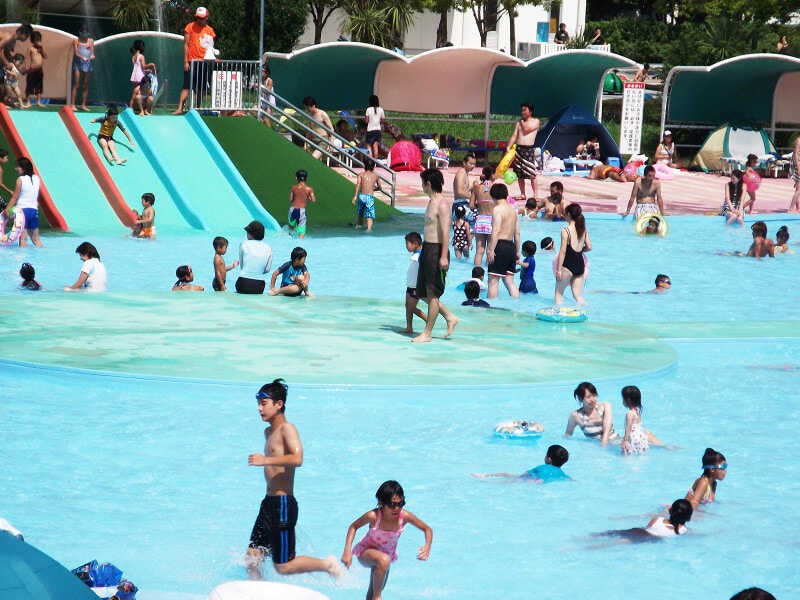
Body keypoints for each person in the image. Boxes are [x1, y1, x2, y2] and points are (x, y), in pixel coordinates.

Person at [246, 379, 342, 577]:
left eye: (264, 403)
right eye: (258, 403)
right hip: (268, 503)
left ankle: (328, 565)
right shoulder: (268, 432)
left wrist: (265, 460)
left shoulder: (287, 429)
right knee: (252, 557)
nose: (259, 408)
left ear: (278, 404)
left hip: (283, 503)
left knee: (284, 566)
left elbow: (298, 458)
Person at [341, 480, 432, 600]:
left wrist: (427, 546)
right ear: (381, 503)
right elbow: (353, 526)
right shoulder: (373, 516)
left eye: (401, 503)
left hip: (386, 558)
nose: (397, 508)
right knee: (378, 591)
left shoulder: (404, 517)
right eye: (392, 504)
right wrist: (347, 550)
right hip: (366, 552)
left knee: (372, 594)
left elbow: (427, 529)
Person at [413, 168, 458, 343]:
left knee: (432, 294)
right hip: (427, 249)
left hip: (437, 250)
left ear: (428, 184)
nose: (422, 185)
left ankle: (427, 333)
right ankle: (449, 317)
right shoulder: (430, 202)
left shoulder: (442, 204)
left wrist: (444, 256)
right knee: (422, 292)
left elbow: (446, 232)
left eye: (423, 182)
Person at [173, 7, 215, 114]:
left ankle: (196, 108)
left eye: (202, 18)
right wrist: (185, 61)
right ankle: (180, 108)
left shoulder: (209, 30)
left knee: (202, 87)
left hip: (205, 62)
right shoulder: (190, 26)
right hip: (192, 61)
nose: (200, 20)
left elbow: (211, 46)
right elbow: (186, 44)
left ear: (206, 18)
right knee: (186, 85)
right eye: (198, 18)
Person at [486, 183, 520, 299]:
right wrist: (517, 251)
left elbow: (496, 230)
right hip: (511, 246)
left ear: (493, 196)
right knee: (509, 281)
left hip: (499, 246)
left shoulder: (497, 209)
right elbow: (517, 233)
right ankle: (517, 306)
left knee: (493, 281)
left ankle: (491, 310)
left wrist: (491, 250)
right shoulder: (513, 210)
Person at [472, 444, 570, 483]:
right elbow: (570, 480)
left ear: (549, 459)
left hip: (529, 480)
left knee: (505, 476)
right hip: (540, 482)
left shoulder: (542, 467)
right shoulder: (561, 474)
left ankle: (485, 477)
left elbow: (525, 475)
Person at [555, 203, 591, 305]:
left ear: (569, 214)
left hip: (568, 264)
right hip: (580, 264)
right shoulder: (583, 229)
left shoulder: (565, 230)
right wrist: (580, 250)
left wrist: (558, 270)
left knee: (558, 293)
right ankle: (589, 310)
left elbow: (563, 251)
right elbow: (589, 247)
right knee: (578, 296)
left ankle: (559, 315)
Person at [3, 157, 42, 247]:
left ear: (24, 167)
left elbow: (14, 197)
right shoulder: (37, 179)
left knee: (23, 238)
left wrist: (7, 210)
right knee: (36, 239)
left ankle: (23, 259)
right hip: (33, 211)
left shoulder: (20, 179)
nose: (16, 169)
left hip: (22, 212)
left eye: (18, 166)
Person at [507, 102, 540, 200]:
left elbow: (526, 129)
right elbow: (514, 136)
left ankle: (535, 194)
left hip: (529, 149)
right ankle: (522, 194)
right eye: (522, 110)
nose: (523, 112)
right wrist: (508, 147)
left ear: (531, 111)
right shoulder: (519, 122)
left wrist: (521, 122)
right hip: (519, 149)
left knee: (531, 174)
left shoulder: (535, 121)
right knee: (519, 173)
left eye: (525, 110)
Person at [620, 385, 662, 454]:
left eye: (623, 399)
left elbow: (628, 429)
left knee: (625, 454)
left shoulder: (629, 413)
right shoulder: (637, 410)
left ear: (628, 400)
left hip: (633, 438)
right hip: (641, 436)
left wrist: (625, 441)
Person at [399, 231, 427, 334]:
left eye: (407, 243)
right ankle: (409, 327)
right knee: (407, 306)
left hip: (416, 286)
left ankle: (429, 321)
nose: (406, 246)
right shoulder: (414, 255)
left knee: (412, 308)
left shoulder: (420, 256)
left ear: (415, 244)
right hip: (409, 285)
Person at [236, 221, 272, 294]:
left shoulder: (244, 244)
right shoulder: (268, 248)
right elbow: (267, 269)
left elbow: (242, 266)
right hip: (259, 286)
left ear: (251, 234)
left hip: (243, 283)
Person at [470, 165, 495, 266]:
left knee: (479, 252)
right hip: (491, 221)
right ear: (492, 175)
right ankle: (489, 276)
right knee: (490, 251)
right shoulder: (495, 187)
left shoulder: (477, 188)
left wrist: (479, 204)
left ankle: (476, 274)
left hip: (480, 220)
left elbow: (471, 205)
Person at [352, 157, 381, 231]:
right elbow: (380, 188)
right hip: (369, 197)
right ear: (374, 167)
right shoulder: (376, 176)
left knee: (360, 214)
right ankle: (369, 229)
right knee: (369, 215)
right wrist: (373, 189)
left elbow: (358, 184)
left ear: (364, 166)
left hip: (362, 196)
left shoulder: (361, 175)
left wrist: (355, 196)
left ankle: (359, 226)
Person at [71, 24, 93, 112]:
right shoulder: (76, 40)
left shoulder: (91, 41)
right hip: (78, 64)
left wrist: (92, 56)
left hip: (88, 64)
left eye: (85, 33)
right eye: (82, 33)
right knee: (76, 85)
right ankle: (72, 104)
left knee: (85, 86)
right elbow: (76, 53)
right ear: (80, 33)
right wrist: (81, 57)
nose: (84, 35)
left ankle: (83, 105)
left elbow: (92, 52)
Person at [288, 169, 316, 238]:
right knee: (301, 231)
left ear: (296, 178)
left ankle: (289, 238)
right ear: (306, 178)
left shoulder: (293, 187)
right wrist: (307, 197)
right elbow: (313, 200)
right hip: (301, 211)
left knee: (291, 227)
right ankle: (300, 246)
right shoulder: (309, 189)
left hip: (292, 209)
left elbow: (290, 199)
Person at [24, 31, 46, 108]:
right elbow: (26, 59)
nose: (38, 41)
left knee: (39, 85)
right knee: (29, 85)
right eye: (36, 39)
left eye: (39, 39)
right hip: (32, 69)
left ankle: (39, 101)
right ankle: (28, 101)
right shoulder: (30, 48)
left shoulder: (41, 48)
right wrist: (26, 67)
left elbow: (45, 56)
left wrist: (42, 47)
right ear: (33, 39)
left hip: (39, 70)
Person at [452, 152, 476, 221]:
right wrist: (473, 198)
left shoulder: (465, 173)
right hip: (460, 204)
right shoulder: (461, 173)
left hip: (462, 203)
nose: (473, 166)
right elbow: (460, 191)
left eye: (474, 164)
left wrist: (472, 187)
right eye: (471, 163)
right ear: (464, 163)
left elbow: (464, 189)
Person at [364, 94, 384, 160]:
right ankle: (375, 162)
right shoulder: (381, 109)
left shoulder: (368, 109)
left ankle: (370, 161)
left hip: (370, 130)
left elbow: (366, 121)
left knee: (369, 145)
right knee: (375, 146)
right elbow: (382, 120)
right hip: (378, 130)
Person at [788, 135, 800, 213]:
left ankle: (798, 207)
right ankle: (791, 208)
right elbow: (795, 155)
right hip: (797, 164)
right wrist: (798, 168)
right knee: (799, 189)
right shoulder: (799, 141)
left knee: (798, 188)